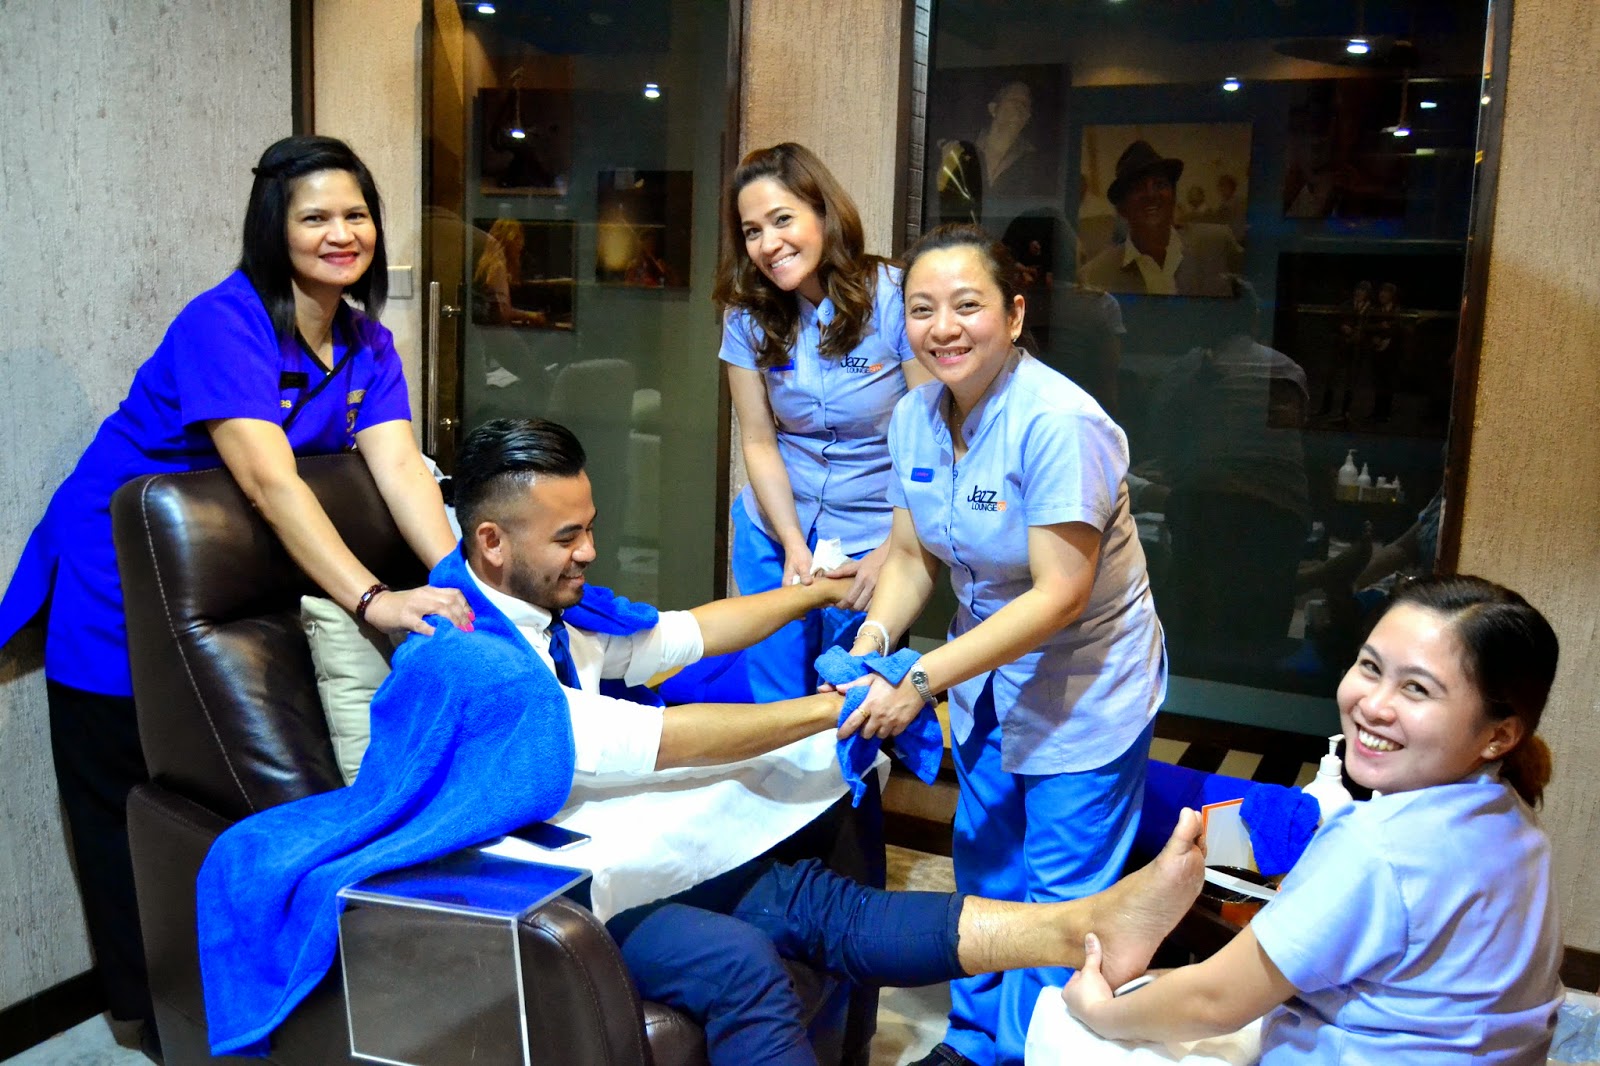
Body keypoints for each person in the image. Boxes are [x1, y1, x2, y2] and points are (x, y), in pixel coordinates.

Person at [433, 416, 1207, 1066]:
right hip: (536, 898)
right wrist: (831, 708)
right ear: (493, 541)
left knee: (813, 901)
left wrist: (816, 593)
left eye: (591, 527)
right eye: (568, 537)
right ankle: (1077, 928)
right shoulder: (474, 663)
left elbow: (689, 632)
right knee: (740, 962)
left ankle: (1079, 927)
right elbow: (663, 738)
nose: (591, 552)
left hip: (603, 858)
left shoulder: (554, 616)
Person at [0, 135, 471, 1048]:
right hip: (117, 568)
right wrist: (373, 600)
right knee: (121, 800)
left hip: (218, 578)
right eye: (315, 217)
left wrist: (463, 584)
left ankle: (234, 996)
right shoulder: (225, 322)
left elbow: (402, 470)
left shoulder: (366, 341)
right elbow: (268, 480)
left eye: (356, 214)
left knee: (210, 795)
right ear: (273, 229)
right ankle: (147, 1017)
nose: (342, 233)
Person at [841, 225, 1167, 1066]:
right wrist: (875, 639)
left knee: (1062, 892)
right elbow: (909, 558)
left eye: (967, 305)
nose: (943, 328)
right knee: (987, 864)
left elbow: (1060, 595)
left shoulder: (1059, 422)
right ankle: (977, 1041)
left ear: (1015, 315)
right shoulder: (914, 417)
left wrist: (920, 678)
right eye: (922, 310)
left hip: (1086, 683)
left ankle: (1036, 1050)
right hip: (983, 673)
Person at [1064, 574, 1564, 1063]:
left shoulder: (1376, 846)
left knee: (1068, 1022)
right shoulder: (1514, 817)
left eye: (1416, 688)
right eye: (1370, 667)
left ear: (1499, 735)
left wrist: (1100, 1013)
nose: (1373, 705)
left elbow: (1215, 1001)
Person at [713, 142, 933, 701]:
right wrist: (792, 542)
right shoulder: (747, 316)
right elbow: (758, 441)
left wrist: (893, 551)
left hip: (873, 533)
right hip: (775, 529)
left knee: (848, 694)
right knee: (776, 697)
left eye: (782, 219)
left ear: (823, 213)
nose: (768, 244)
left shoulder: (895, 298)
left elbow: (930, 443)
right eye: (752, 231)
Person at [1077, 140, 1242, 298]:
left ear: (1173, 197)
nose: (1151, 194)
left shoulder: (1217, 243)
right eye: (1138, 187)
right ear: (1122, 209)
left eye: (1160, 184)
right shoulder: (1095, 276)